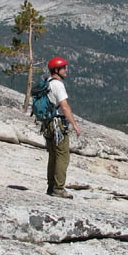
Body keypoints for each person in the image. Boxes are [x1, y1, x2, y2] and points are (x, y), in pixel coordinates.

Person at [43, 56, 81, 198]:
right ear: (57, 70)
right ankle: (58, 189)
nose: (66, 70)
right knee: (62, 156)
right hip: (58, 124)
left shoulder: (47, 82)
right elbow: (64, 107)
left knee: (53, 155)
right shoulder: (58, 85)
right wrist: (75, 125)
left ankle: (51, 186)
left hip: (47, 123)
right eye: (64, 68)